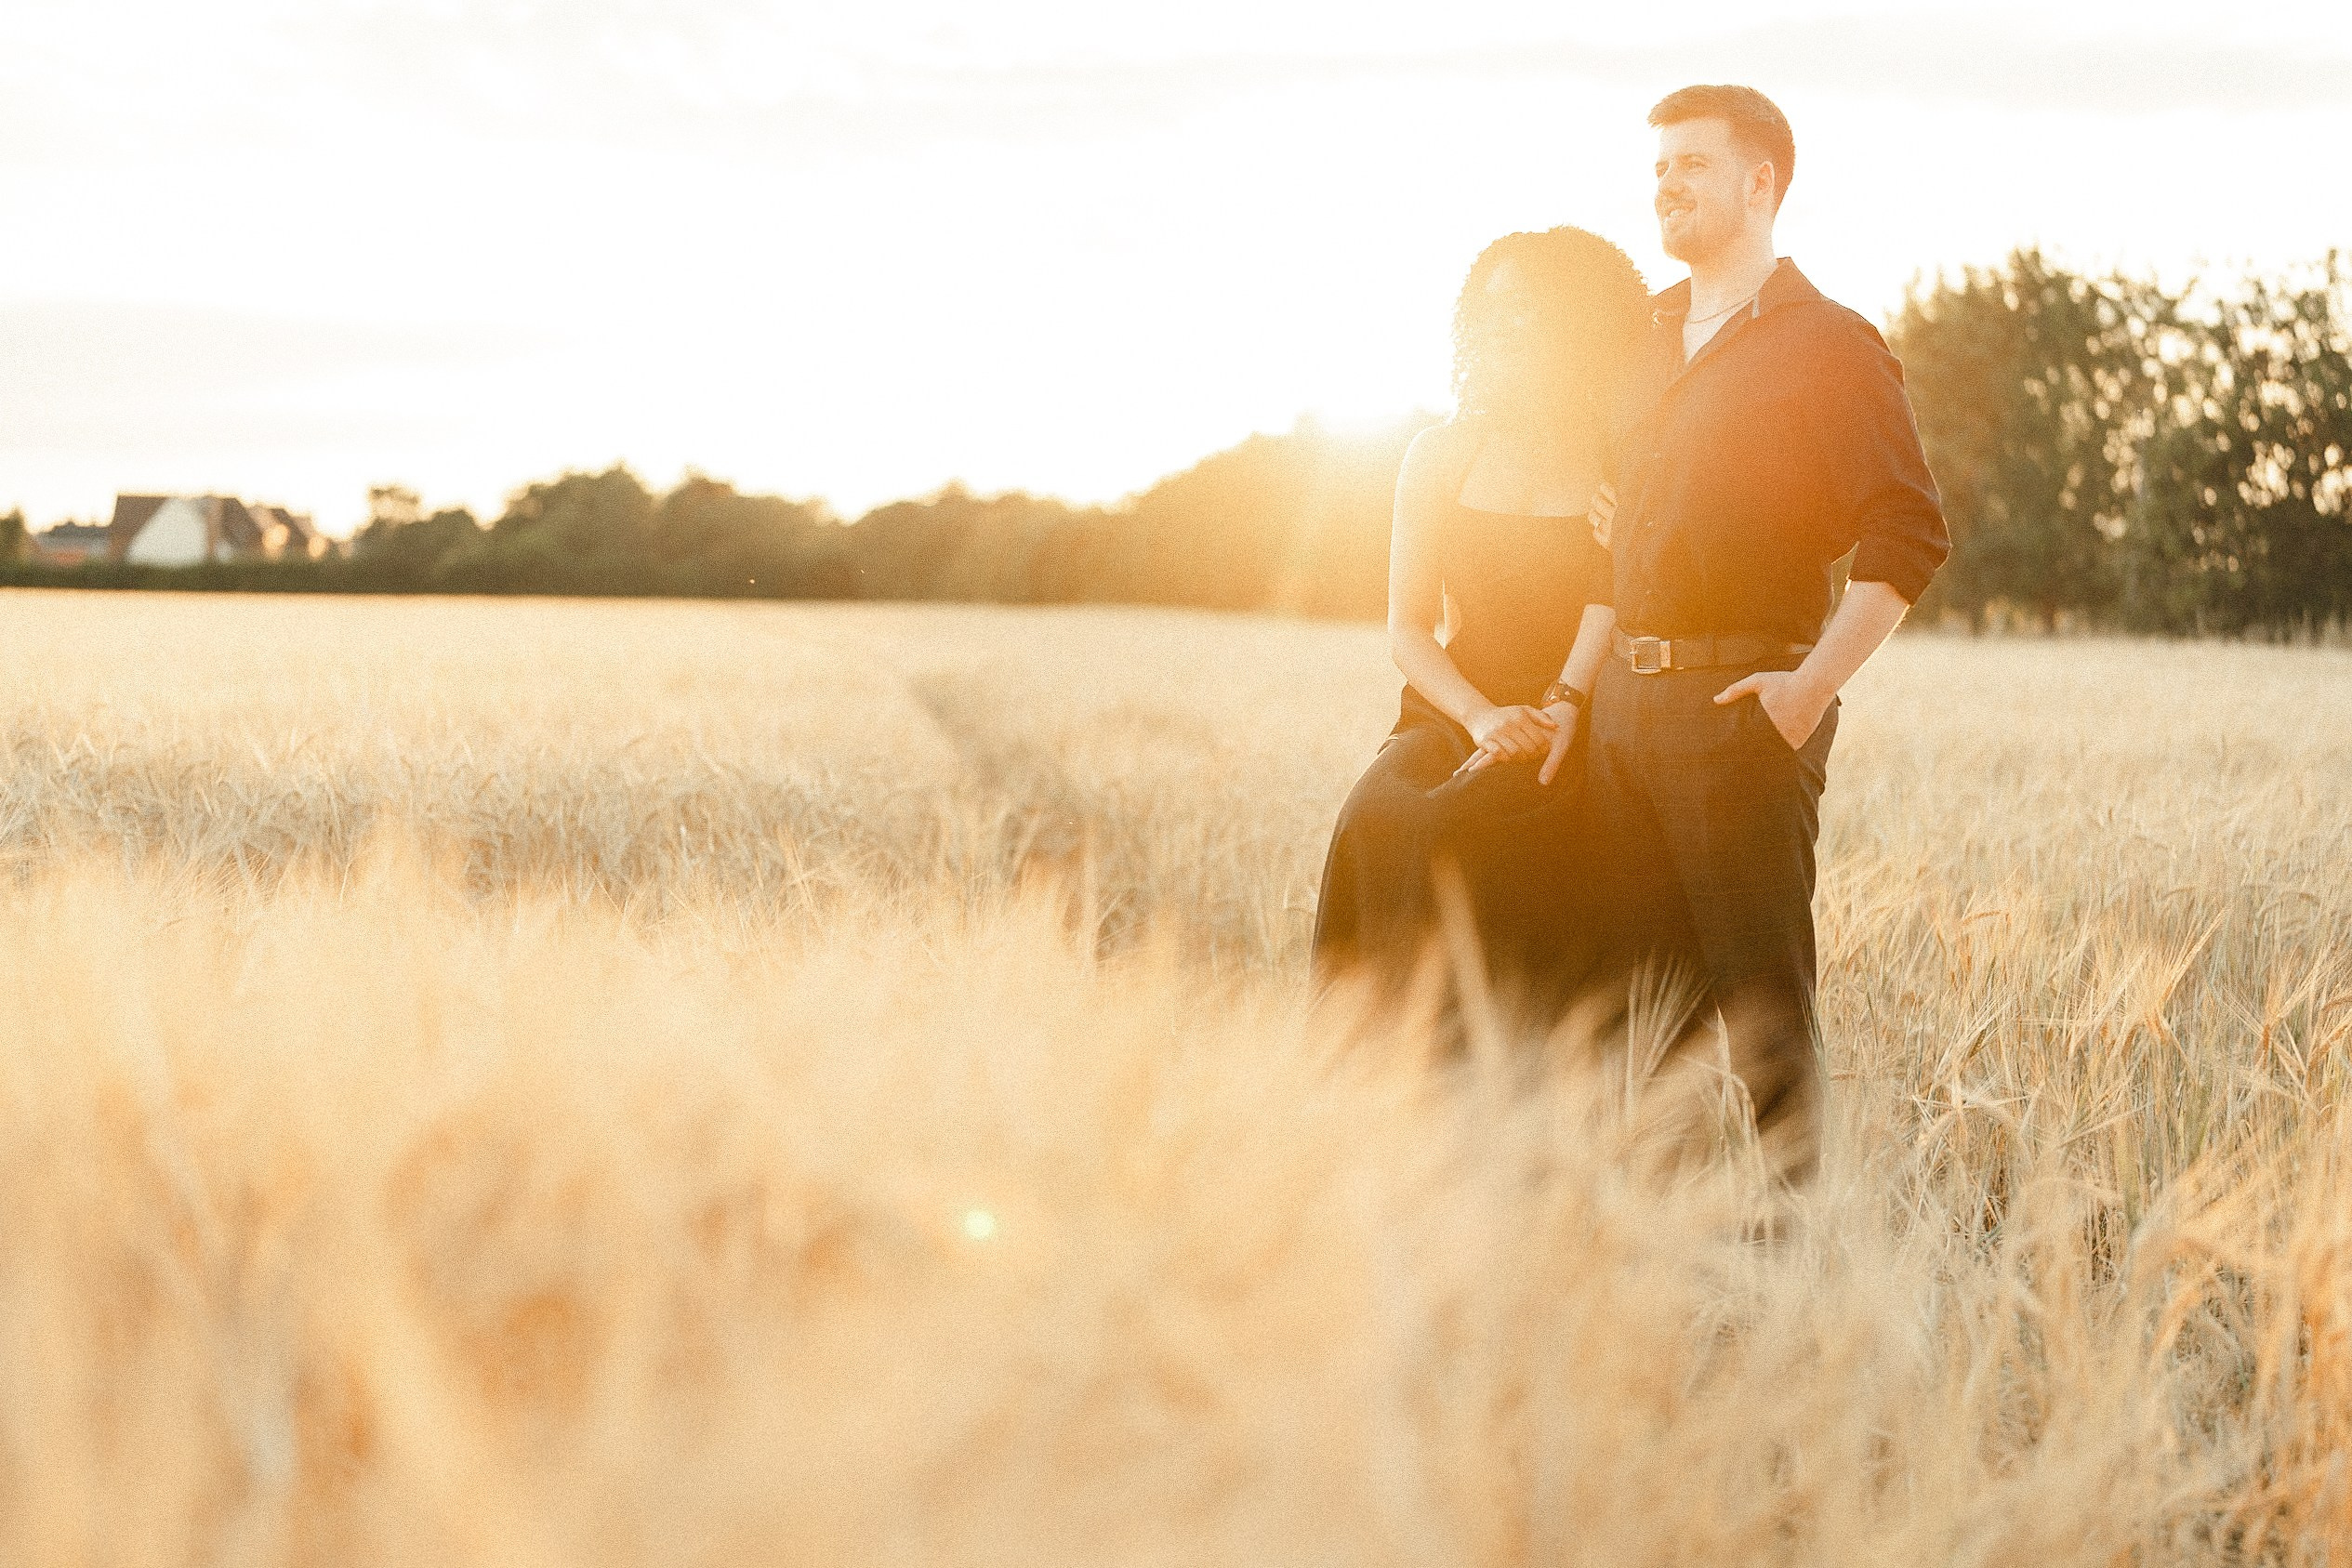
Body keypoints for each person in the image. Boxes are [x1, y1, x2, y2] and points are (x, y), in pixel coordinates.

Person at [1466, 85, 1951, 1179]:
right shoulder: (1637, 338)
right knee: (1635, 1013)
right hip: (1619, 713)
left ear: (1760, 182)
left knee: (1761, 1016)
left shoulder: (1831, 344)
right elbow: (1603, 487)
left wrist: (1805, 691)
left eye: (1689, 164)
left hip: (1739, 711)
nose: (1665, 186)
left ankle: (1793, 1290)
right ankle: (1663, 1256)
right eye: (1656, 170)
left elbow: (1908, 534)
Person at [1312, 227, 1647, 1011]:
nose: (1503, 333)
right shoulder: (1439, 453)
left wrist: (1562, 698)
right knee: (1382, 819)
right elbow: (1407, 627)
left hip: (1579, 705)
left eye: (1525, 314)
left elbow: (1613, 596)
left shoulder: (1618, 459)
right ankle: (1372, 1075)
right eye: (1489, 316)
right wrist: (1480, 715)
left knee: (1525, 852)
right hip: (1456, 701)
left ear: (1572, 330)